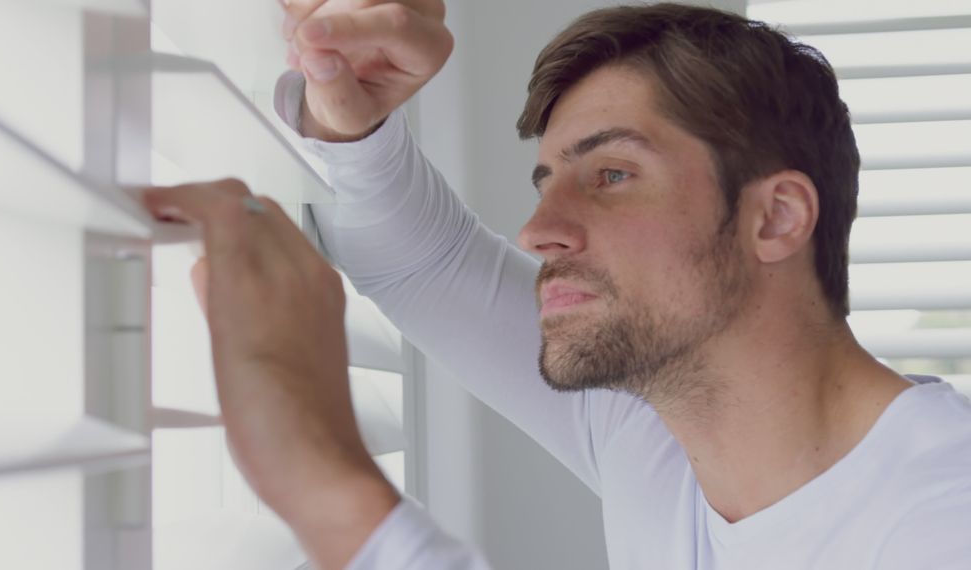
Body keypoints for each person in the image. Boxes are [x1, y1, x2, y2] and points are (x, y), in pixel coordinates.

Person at [143, 2, 971, 569]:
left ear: (777, 218)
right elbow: (423, 261)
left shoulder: (942, 518)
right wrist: (347, 109)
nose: (540, 230)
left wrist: (325, 485)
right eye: (547, 181)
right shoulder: (655, 430)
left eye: (611, 174)